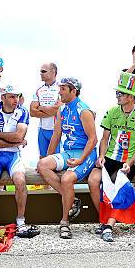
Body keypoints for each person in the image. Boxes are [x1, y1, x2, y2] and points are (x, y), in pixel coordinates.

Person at [88, 72, 135, 242]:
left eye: (120, 94)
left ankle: (108, 225)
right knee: (93, 181)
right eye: (117, 93)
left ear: (131, 97)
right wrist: (101, 156)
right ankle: (104, 219)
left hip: (127, 161)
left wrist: (130, 163)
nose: (117, 96)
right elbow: (105, 138)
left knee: (119, 184)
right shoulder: (111, 112)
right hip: (109, 157)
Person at [36, 77, 98, 239]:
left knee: (67, 179)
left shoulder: (84, 111)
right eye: (60, 88)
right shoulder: (61, 110)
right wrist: (48, 158)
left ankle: (64, 222)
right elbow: (56, 135)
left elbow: (93, 139)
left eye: (63, 89)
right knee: (42, 165)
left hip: (86, 153)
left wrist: (80, 160)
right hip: (69, 152)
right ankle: (72, 199)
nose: (59, 92)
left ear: (73, 91)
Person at [0, 84, 31, 239]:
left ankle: (21, 220)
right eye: (11, 96)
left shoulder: (22, 112)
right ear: (3, 97)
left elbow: (19, 136)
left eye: (17, 96)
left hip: (13, 156)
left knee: (20, 181)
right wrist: (14, 142)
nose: (15, 99)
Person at [30, 63, 61, 158]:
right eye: (40, 71)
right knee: (42, 158)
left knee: (56, 159)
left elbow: (57, 111)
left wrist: (41, 107)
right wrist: (51, 110)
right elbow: (32, 112)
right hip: (42, 130)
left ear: (53, 73)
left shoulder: (61, 89)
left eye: (43, 71)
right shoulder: (39, 90)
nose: (40, 73)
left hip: (56, 130)